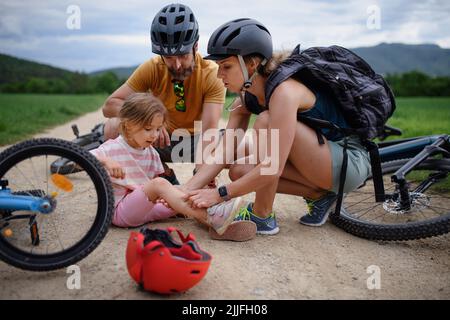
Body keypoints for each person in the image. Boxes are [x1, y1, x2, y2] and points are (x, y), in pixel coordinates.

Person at [181, 18, 372, 234]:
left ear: (251, 64)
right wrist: (187, 190)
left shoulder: (284, 92)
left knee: (265, 121)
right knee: (239, 171)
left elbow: (272, 168)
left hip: (349, 161)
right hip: (322, 159)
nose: (218, 75)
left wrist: (219, 194)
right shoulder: (247, 96)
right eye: (218, 67)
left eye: (226, 66)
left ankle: (262, 216)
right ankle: (320, 196)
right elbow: (226, 151)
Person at [101, 3, 226, 185]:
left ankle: (205, 179)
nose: (176, 65)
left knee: (231, 140)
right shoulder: (152, 67)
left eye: (182, 55)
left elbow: (209, 131)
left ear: (195, 46)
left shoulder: (212, 73)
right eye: (168, 57)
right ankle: (162, 174)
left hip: (193, 143)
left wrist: (201, 177)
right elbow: (109, 105)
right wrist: (148, 120)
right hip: (158, 140)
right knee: (113, 126)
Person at [91, 92, 244, 236]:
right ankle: (209, 218)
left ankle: (216, 214)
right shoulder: (112, 148)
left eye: (158, 129)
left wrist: (176, 194)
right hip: (119, 212)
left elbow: (160, 190)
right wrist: (106, 162)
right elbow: (80, 160)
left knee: (180, 191)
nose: (154, 135)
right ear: (128, 126)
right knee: (160, 185)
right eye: (148, 129)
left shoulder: (150, 153)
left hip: (145, 209)